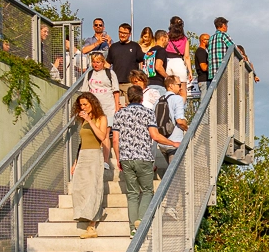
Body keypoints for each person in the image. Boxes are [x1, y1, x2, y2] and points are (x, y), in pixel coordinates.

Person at [111, 86, 179, 236]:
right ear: (142, 98)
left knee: (132, 194)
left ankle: (132, 229)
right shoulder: (148, 113)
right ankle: (141, 222)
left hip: (126, 158)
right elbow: (155, 136)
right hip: (144, 157)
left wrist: (118, 158)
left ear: (128, 98)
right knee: (147, 191)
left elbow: (115, 139)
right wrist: (173, 143)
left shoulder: (119, 114)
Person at [70, 93, 109, 239]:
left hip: (94, 155)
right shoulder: (82, 121)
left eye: (85, 104)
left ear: (92, 103)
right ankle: (83, 214)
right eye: (81, 105)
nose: (83, 107)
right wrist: (75, 161)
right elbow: (81, 143)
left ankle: (92, 225)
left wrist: (90, 121)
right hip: (83, 156)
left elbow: (102, 136)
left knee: (94, 187)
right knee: (79, 187)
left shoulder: (101, 118)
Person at [81, 53, 120, 167]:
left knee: (105, 134)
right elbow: (85, 92)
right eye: (93, 62)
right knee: (93, 133)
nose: (95, 64)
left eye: (98, 62)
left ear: (103, 62)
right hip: (93, 109)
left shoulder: (110, 73)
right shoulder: (89, 74)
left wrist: (117, 107)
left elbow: (115, 91)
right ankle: (95, 159)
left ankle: (105, 161)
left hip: (108, 107)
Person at [156, 75, 188, 168]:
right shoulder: (177, 99)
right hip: (175, 143)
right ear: (171, 86)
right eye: (178, 84)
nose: (180, 87)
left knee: (172, 173)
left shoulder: (158, 100)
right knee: (177, 176)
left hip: (163, 143)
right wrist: (187, 128)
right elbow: (179, 121)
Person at [107, 23, 144, 102]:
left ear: (129, 34)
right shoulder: (113, 47)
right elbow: (107, 64)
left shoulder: (135, 46)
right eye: (120, 32)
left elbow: (142, 62)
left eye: (125, 33)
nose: (122, 35)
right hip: (116, 84)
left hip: (130, 83)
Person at [165, 16, 192, 100]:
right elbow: (186, 56)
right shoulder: (184, 39)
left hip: (167, 62)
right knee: (182, 90)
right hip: (179, 62)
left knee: (169, 89)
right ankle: (180, 109)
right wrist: (190, 71)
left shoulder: (166, 36)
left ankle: (169, 109)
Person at [206, 17, 235, 82]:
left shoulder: (211, 38)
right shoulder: (223, 35)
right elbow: (233, 48)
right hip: (222, 71)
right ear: (223, 25)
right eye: (227, 25)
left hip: (212, 72)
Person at [143, 29, 170, 94]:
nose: (168, 42)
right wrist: (167, 77)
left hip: (147, 86)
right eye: (167, 39)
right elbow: (158, 66)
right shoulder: (161, 51)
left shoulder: (149, 52)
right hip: (158, 86)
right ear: (163, 38)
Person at [194, 33, 210, 98]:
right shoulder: (201, 52)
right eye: (209, 40)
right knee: (205, 103)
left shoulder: (203, 51)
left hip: (205, 81)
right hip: (204, 81)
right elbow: (203, 67)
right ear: (203, 40)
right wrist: (213, 67)